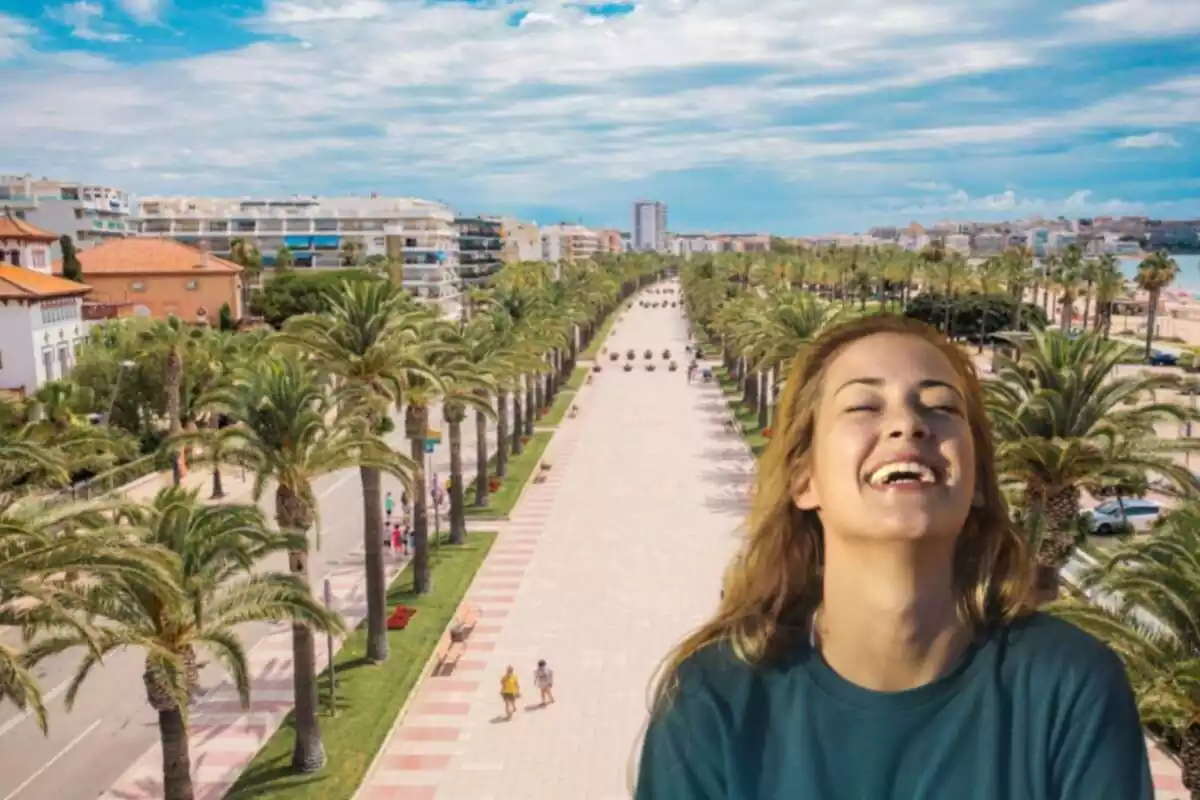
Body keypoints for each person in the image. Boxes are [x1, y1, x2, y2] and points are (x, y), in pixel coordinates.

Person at [636, 315, 1152, 800]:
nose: (908, 424)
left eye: (941, 408)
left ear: (975, 480)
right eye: (863, 406)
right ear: (804, 478)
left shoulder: (1068, 687)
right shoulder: (715, 702)